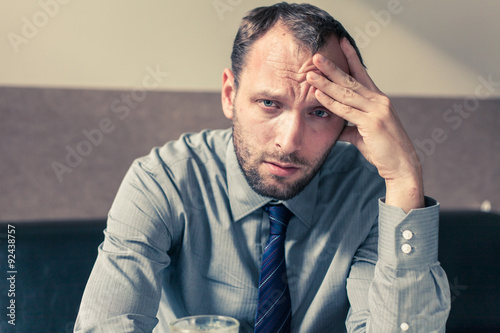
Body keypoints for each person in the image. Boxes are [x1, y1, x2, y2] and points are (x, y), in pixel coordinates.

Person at [75, 2, 451, 332]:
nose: (288, 142)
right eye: (270, 104)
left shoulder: (371, 197)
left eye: (319, 112)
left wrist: (404, 180)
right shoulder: (163, 182)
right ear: (230, 95)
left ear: (345, 118)